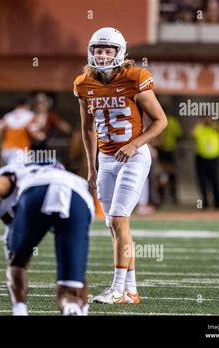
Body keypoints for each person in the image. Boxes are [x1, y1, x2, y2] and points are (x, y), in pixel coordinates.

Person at [74, 27, 167, 304]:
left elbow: (161, 121)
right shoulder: (83, 84)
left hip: (133, 156)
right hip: (106, 159)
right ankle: (131, 290)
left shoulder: (135, 78)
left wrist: (135, 144)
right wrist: (92, 166)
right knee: (115, 225)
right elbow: (87, 129)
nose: (102, 56)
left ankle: (116, 289)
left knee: (118, 219)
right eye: (98, 50)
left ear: (120, 52)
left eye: (108, 50)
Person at [0, 162, 94, 315]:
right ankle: (73, 307)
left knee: (17, 262)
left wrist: (6, 218)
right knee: (73, 277)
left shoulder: (16, 175)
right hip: (78, 196)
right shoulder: (62, 173)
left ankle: (19, 310)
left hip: (36, 189)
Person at [192, 116, 219, 209]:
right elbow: (191, 134)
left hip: (214, 158)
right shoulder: (199, 128)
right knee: (202, 181)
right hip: (201, 158)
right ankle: (205, 202)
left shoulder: (216, 127)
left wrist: (213, 123)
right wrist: (200, 123)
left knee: (215, 181)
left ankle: (217, 202)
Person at [0, 98, 37, 165]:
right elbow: (34, 134)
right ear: (27, 105)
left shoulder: (8, 116)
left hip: (6, 150)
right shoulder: (30, 115)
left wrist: (0, 142)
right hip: (21, 151)